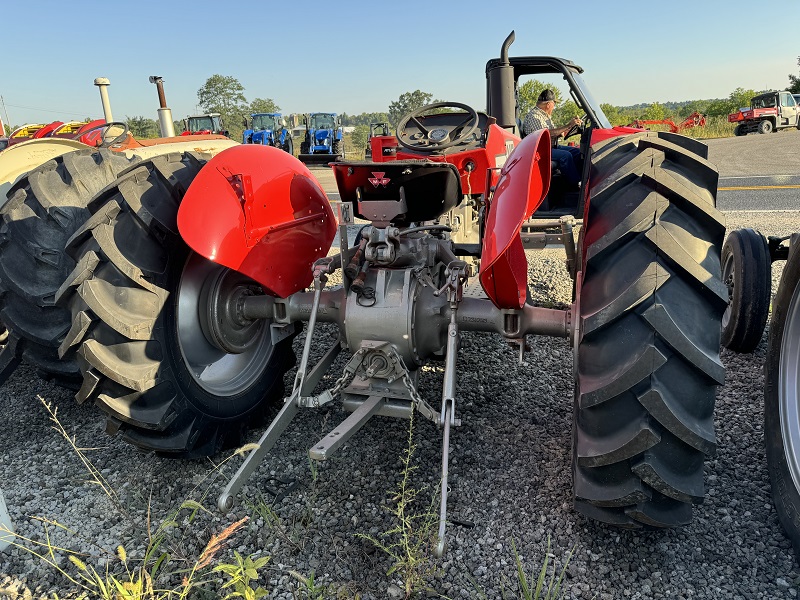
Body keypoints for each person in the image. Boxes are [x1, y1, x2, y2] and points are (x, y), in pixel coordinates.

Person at [522, 89, 583, 187]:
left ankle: (581, 180)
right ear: (548, 104)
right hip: (539, 151)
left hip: (551, 147)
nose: (554, 107)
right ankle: (575, 185)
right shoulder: (534, 116)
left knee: (577, 152)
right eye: (554, 104)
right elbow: (545, 135)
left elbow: (556, 133)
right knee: (566, 156)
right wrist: (567, 125)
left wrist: (570, 127)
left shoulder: (545, 116)